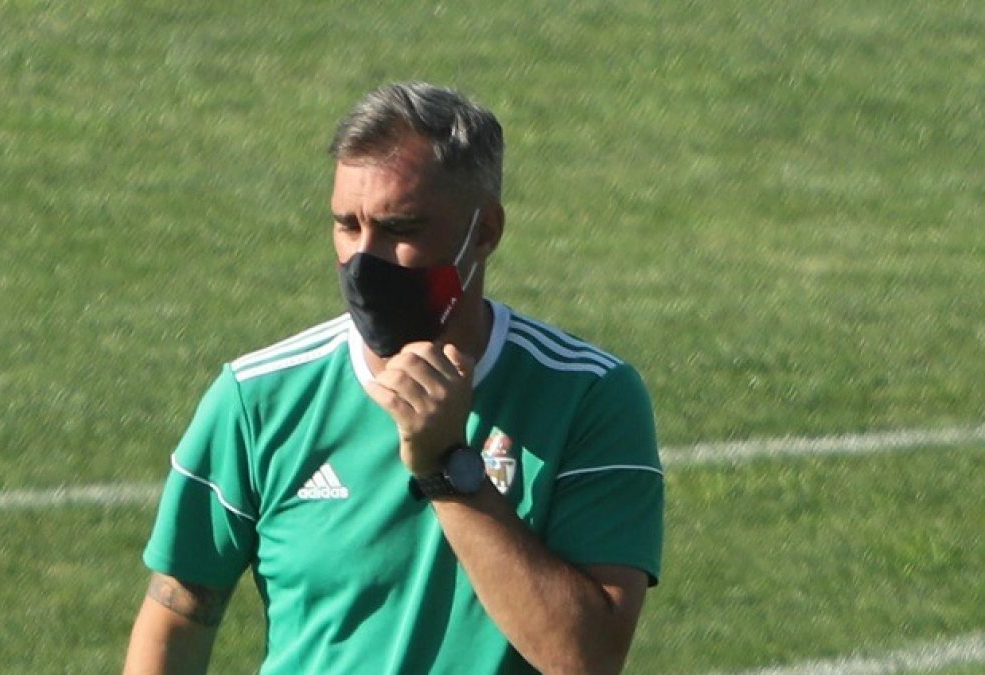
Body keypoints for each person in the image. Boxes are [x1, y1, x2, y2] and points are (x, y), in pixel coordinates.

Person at [123, 81, 664, 675]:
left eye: (399, 229)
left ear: (483, 233)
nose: (364, 260)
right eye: (347, 226)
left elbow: (585, 659)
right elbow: (178, 618)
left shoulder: (587, 396)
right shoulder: (258, 400)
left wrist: (448, 471)